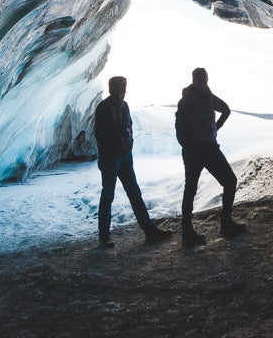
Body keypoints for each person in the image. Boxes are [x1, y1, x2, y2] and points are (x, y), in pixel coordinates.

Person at [94, 76, 172, 247]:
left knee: (134, 193)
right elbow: (100, 136)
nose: (124, 89)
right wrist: (108, 154)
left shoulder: (124, 106)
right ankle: (104, 236)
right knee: (108, 196)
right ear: (112, 89)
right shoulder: (104, 108)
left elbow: (128, 127)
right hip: (111, 158)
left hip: (124, 156)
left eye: (124, 86)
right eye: (121, 86)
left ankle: (149, 230)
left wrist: (127, 147)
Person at [175, 67, 246, 245]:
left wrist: (213, 129)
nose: (202, 83)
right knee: (192, 187)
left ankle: (225, 222)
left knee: (228, 181)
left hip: (207, 147)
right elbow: (180, 130)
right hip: (198, 149)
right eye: (199, 80)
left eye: (204, 79)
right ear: (194, 80)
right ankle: (189, 229)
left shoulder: (207, 97)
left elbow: (226, 110)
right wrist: (193, 144)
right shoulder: (187, 101)